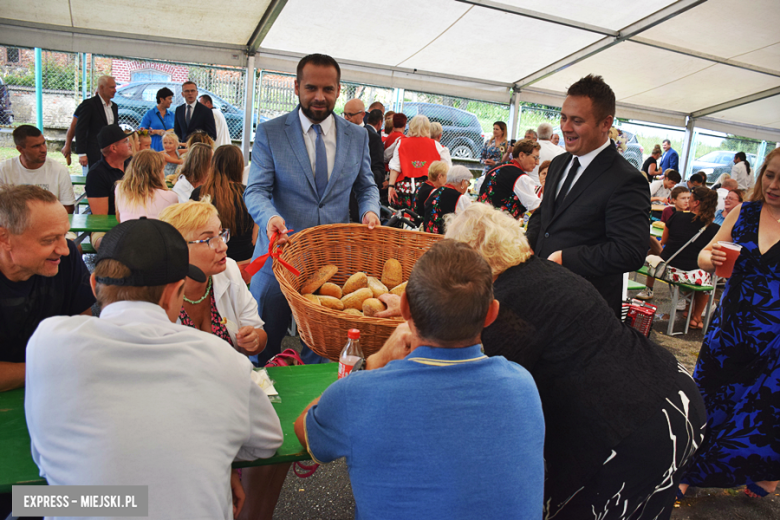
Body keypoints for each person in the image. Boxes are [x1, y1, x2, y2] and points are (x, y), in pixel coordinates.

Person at [435, 203, 705, 520]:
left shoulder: (502, 303)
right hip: (678, 397)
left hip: (629, 434)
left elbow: (477, 395)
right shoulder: (548, 273)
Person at [24, 217, 283, 519]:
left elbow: (46, 460)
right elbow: (268, 441)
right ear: (174, 292)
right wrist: (209, 463)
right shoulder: (222, 357)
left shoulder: (48, 341)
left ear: (95, 285)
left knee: (35, 500)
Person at [295, 239, 545, 519]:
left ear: (404, 308)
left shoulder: (359, 394)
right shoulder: (523, 385)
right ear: (491, 314)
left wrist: (376, 361)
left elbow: (303, 428)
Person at [244, 53, 380, 365]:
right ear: (296, 87)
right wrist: (270, 217)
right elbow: (255, 190)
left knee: (324, 351)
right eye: (311, 88)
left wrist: (369, 209)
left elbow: (366, 185)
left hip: (330, 263)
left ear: (338, 89)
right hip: (278, 260)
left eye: (328, 89)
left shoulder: (357, 135)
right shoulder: (271, 132)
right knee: (259, 348)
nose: (319, 97)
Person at [680, 147, 780, 499]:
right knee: (708, 397)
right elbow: (705, 254)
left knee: (763, 410)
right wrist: (712, 258)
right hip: (730, 327)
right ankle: (689, 468)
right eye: (769, 175)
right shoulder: (744, 212)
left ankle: (767, 473)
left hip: (775, 341)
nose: (774, 185)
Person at [527, 74, 650, 318]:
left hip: (584, 309)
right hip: (542, 295)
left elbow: (630, 251)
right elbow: (545, 216)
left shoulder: (626, 179)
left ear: (606, 123)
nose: (565, 127)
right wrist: (528, 246)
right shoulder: (560, 163)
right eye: (563, 118)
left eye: (577, 121)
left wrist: (567, 257)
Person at [0, 185, 94, 393]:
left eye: (63, 235)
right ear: (4, 238)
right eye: (49, 240)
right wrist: (49, 368)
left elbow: (84, 331)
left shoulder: (65, 259)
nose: (63, 249)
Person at [159, 200, 265, 354]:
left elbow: (258, 333)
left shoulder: (229, 270)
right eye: (209, 240)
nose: (223, 246)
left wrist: (253, 340)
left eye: (221, 234)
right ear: (178, 249)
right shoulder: (156, 293)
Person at [649, 187, 719, 327]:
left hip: (668, 270)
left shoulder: (677, 216)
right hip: (692, 275)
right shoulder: (714, 228)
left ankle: (688, 309)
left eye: (690, 198)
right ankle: (696, 317)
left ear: (696, 203)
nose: (688, 200)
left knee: (695, 273)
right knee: (704, 277)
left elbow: (664, 241)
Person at [191, 145, 258, 266]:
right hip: (244, 262)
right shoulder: (250, 194)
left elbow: (192, 234)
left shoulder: (199, 193)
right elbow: (254, 239)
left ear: (213, 164)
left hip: (211, 262)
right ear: (239, 166)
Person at [0, 125, 75, 213]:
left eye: (44, 143)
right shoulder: (4, 170)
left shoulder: (59, 170)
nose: (43, 149)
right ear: (20, 149)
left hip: (50, 223)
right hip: (14, 223)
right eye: (36, 146)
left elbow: (68, 207)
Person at [388, 115, 451, 210]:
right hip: (427, 189)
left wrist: (391, 186)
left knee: (404, 217)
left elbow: (395, 167)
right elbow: (447, 168)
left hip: (405, 189)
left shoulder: (402, 143)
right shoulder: (437, 146)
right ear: (427, 128)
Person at [478, 139, 541, 219]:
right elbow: (535, 208)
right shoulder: (520, 177)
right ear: (522, 155)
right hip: (499, 225)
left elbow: (480, 183)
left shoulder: (497, 167)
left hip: (480, 220)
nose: (537, 162)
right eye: (535, 158)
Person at [114, 149, 178, 222]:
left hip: (128, 232)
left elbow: (119, 218)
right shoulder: (170, 196)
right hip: (156, 232)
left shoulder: (120, 188)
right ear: (158, 173)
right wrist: (164, 186)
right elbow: (172, 224)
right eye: (162, 170)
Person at [85, 124, 133, 217]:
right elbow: (101, 217)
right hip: (111, 228)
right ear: (113, 148)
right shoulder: (96, 174)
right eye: (126, 141)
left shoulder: (133, 164)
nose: (130, 144)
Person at [75, 75, 119, 168]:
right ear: (102, 88)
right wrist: (82, 153)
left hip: (110, 152)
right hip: (94, 151)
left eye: (115, 87)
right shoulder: (89, 105)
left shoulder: (114, 106)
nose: (115, 90)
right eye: (112, 87)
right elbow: (80, 129)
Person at [423, 165, 472, 234]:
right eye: (468, 183)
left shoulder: (435, 192)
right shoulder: (461, 198)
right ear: (463, 182)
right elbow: (470, 224)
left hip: (427, 239)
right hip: (447, 242)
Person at [139, 87, 175, 151]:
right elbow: (141, 130)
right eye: (169, 99)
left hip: (168, 149)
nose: (171, 101)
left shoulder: (172, 115)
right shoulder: (150, 114)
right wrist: (156, 132)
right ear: (161, 99)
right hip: (154, 148)